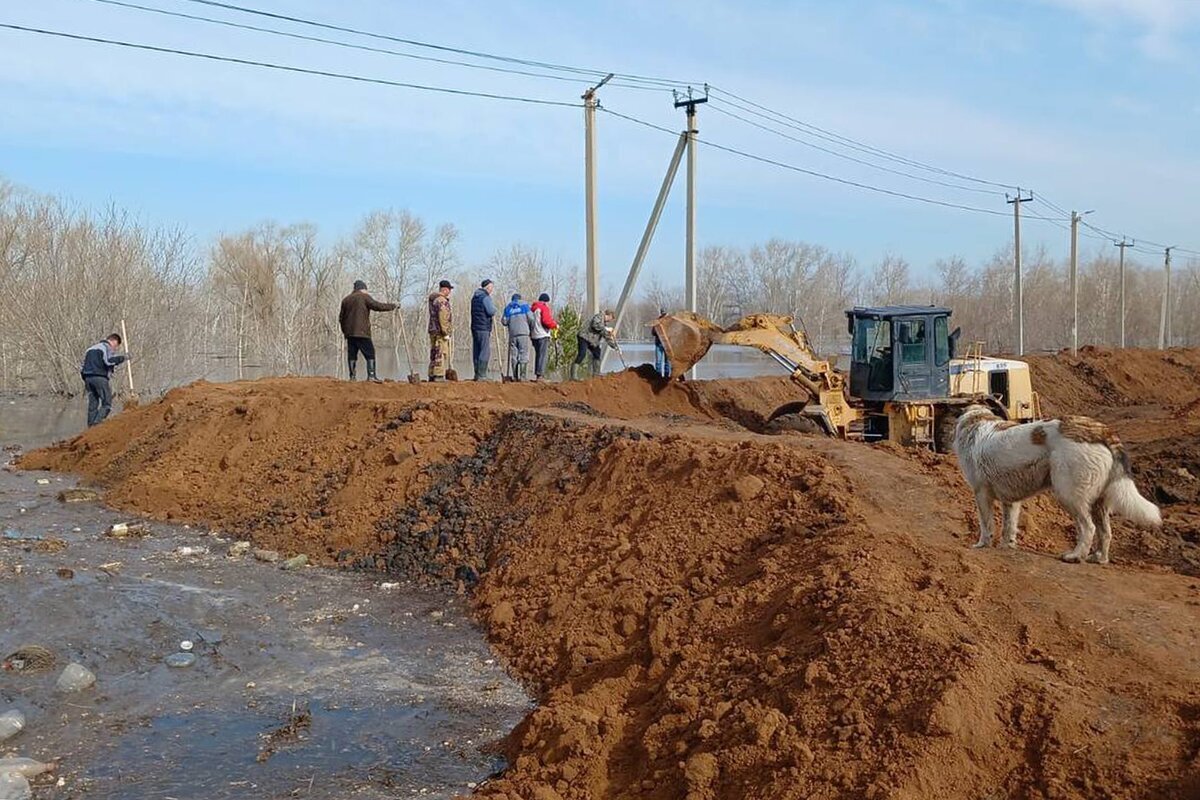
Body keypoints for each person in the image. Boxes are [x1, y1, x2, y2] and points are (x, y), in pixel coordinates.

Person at [339, 279, 396, 382]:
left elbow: (341, 319)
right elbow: (378, 306)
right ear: (363, 289)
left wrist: (345, 332)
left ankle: (352, 377)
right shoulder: (364, 297)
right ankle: (371, 375)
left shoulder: (346, 300)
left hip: (350, 333)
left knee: (352, 354)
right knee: (370, 353)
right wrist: (393, 306)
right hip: (362, 332)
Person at [80, 333, 129, 427]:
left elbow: (82, 366)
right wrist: (123, 358)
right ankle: (97, 424)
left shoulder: (89, 349)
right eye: (116, 346)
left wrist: (85, 377)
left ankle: (90, 428)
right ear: (114, 341)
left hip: (87, 378)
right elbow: (109, 361)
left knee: (93, 404)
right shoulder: (106, 347)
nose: (115, 349)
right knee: (107, 403)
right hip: (99, 378)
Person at [570, 309, 618, 380]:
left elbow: (606, 337)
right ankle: (573, 376)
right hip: (584, 337)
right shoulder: (598, 317)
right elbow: (595, 325)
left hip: (592, 341)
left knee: (597, 353)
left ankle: (596, 374)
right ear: (609, 315)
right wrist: (607, 329)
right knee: (582, 354)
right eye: (611, 318)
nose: (610, 321)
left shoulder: (604, 325)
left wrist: (615, 346)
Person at [501, 293, 536, 381]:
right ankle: (523, 377)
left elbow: (504, 322)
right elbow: (531, 319)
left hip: (513, 334)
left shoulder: (508, 307)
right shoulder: (524, 305)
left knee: (514, 355)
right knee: (523, 354)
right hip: (523, 333)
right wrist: (531, 328)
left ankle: (515, 376)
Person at [470, 279, 497, 381]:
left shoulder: (474, 298)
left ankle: (477, 374)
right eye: (491, 288)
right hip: (483, 327)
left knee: (476, 350)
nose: (492, 290)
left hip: (475, 326)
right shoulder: (485, 297)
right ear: (487, 287)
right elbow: (490, 311)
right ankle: (482, 375)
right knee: (484, 350)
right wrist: (495, 310)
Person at [427, 279, 454, 381]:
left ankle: (431, 373)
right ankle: (438, 375)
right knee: (440, 352)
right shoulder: (442, 301)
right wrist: (446, 331)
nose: (450, 292)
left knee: (434, 351)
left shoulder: (433, 299)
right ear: (445, 290)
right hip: (439, 331)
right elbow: (443, 317)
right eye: (449, 290)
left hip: (432, 329)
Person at [529, 293, 559, 382]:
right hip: (543, 334)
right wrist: (555, 325)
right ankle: (540, 376)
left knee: (538, 355)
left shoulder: (532, 309)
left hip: (534, 335)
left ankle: (538, 374)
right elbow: (546, 320)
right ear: (546, 301)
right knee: (543, 355)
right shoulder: (544, 307)